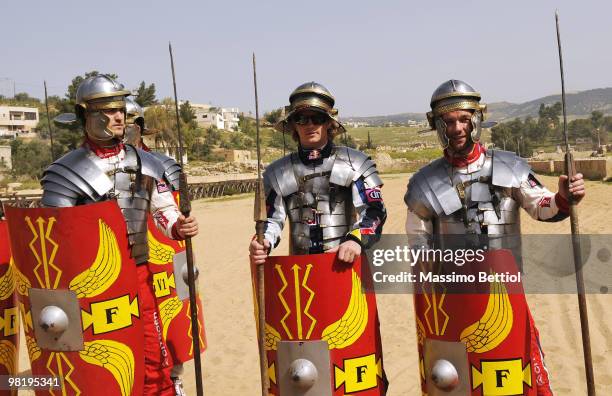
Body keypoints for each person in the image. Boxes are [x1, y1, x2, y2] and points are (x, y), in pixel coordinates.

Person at [404, 79, 585, 395]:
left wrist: (564, 198)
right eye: (448, 121)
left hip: (504, 296)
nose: (457, 127)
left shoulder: (509, 167)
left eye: (463, 119)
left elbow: (542, 206)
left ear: (476, 119)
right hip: (453, 302)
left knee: (510, 376)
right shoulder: (424, 182)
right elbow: (418, 245)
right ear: (437, 126)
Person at [40, 75, 198, 396]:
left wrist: (178, 226)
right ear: (87, 116)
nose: (118, 117)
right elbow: (55, 240)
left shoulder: (145, 162)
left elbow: (162, 210)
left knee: (154, 358)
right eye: (109, 110)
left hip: (139, 276)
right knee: (101, 369)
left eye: (120, 110)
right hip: (90, 288)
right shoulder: (64, 173)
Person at [249, 81, 387, 264]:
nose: (310, 125)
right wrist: (264, 241)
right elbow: (272, 219)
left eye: (317, 118)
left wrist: (356, 240)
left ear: (329, 122)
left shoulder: (355, 163)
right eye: (301, 119)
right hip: (299, 273)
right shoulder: (277, 172)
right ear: (293, 124)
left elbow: (374, 210)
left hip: (346, 266)